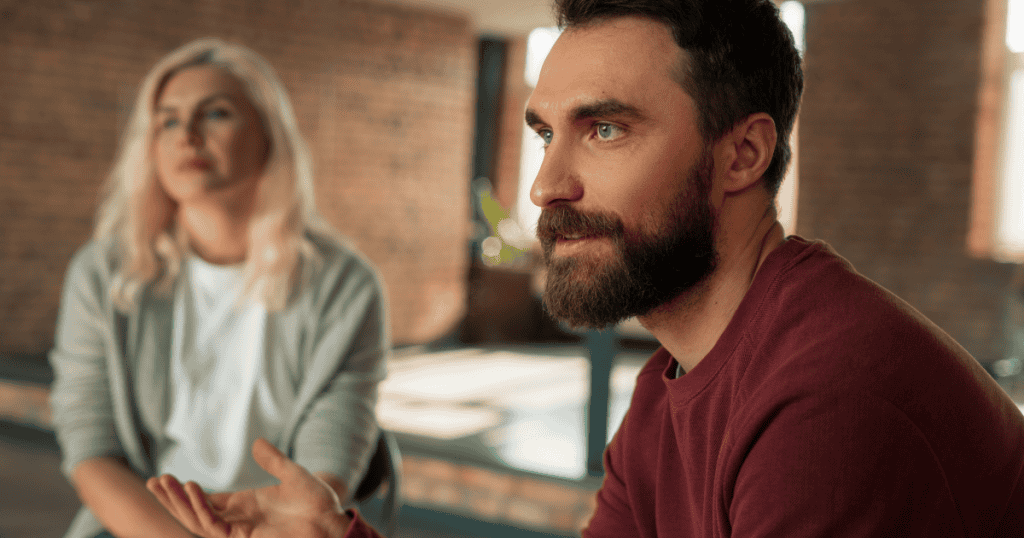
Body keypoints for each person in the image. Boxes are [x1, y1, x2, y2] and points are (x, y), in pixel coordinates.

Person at [148, 0, 1024, 535]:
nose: (546, 185)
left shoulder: (828, 404)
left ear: (743, 154)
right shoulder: (671, 386)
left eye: (605, 129)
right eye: (545, 132)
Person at [49, 37, 389, 538]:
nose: (187, 135)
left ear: (269, 134)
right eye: (167, 121)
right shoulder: (102, 274)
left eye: (216, 114)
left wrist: (286, 525)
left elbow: (331, 448)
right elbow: (91, 451)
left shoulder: (345, 285)